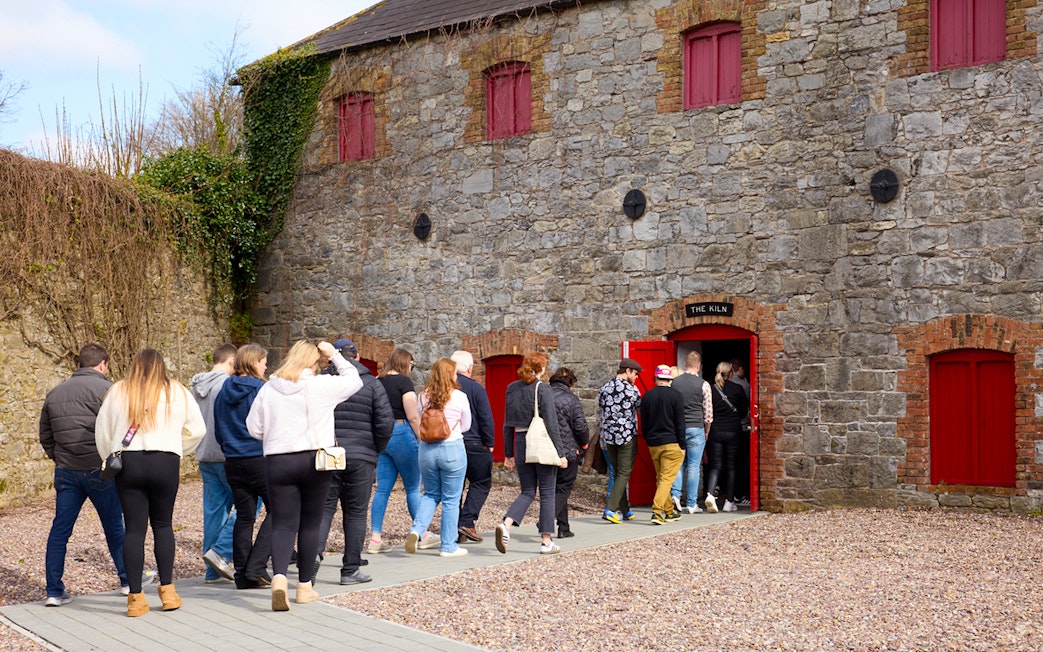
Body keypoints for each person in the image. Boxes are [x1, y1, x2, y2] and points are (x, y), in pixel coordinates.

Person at [246, 340, 362, 611]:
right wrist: (334, 355)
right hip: (315, 459)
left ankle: (278, 578)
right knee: (310, 523)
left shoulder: (269, 388)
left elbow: (253, 427)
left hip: (278, 460)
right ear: (314, 362)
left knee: (283, 523)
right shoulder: (320, 386)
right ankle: (305, 586)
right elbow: (354, 379)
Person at [95, 349, 206, 617]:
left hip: (129, 464)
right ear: (162, 366)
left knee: (134, 529)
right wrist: (177, 448)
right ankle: (168, 592)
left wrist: (108, 457)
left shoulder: (120, 390)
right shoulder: (176, 391)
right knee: (163, 525)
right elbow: (199, 429)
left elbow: (102, 430)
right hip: (165, 462)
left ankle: (135, 599)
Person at [40, 343, 130, 606]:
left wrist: (58, 458)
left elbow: (45, 435)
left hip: (66, 471)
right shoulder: (109, 390)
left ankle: (54, 591)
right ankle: (127, 581)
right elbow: (123, 430)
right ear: (102, 364)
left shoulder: (55, 393)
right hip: (100, 470)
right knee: (114, 527)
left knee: (60, 531)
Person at [315, 339, 394, 583]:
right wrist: (374, 450)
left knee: (325, 509)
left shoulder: (321, 382)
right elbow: (384, 422)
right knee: (357, 513)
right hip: (362, 454)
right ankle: (350, 570)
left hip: (330, 451)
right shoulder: (371, 384)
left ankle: (313, 560)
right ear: (357, 357)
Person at [495, 352, 568, 555]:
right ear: (542, 369)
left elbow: (507, 423)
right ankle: (546, 542)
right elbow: (552, 424)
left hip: (520, 442)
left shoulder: (511, 388)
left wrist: (508, 453)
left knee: (527, 491)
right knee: (546, 492)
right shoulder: (542, 388)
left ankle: (507, 525)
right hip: (540, 442)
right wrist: (561, 453)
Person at [214, 343, 272, 589]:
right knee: (280, 511)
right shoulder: (263, 390)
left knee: (245, 517)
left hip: (233, 461)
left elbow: (218, 430)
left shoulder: (222, 390)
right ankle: (256, 567)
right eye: (263, 361)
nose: (266, 365)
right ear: (253, 362)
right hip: (259, 457)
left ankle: (242, 576)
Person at [369, 348, 434, 553]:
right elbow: (413, 416)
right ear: (405, 363)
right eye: (412, 365)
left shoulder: (377, 381)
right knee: (413, 488)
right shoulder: (404, 383)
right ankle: (421, 533)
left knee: (382, 489)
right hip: (402, 430)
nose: (412, 369)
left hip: (382, 435)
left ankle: (375, 538)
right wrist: (421, 437)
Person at [405, 358, 471, 557]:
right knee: (451, 498)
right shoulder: (459, 396)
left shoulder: (423, 396)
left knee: (430, 494)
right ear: (451, 375)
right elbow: (467, 425)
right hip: (452, 448)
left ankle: (416, 530)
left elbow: (419, 420)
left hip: (426, 450)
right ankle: (448, 546)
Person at [190, 343, 237, 584]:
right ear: (231, 362)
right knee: (248, 505)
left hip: (204, 455)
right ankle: (221, 552)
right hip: (227, 455)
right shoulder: (227, 385)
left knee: (214, 513)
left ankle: (212, 572)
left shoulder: (195, 387)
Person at [451, 350, 496, 544]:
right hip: (475, 442)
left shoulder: (445, 386)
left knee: (455, 488)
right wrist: (490, 442)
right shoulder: (476, 389)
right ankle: (467, 521)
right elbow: (485, 417)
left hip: (451, 442)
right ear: (470, 368)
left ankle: (453, 528)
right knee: (481, 482)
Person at [596, 357, 642, 524]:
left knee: (617, 472)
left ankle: (625, 510)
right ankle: (610, 508)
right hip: (626, 435)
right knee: (624, 473)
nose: (636, 377)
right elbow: (640, 408)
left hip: (608, 436)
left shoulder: (604, 388)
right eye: (635, 374)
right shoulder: (632, 390)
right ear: (628, 371)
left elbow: (600, 410)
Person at [640, 365, 686, 524]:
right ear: (670, 380)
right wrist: (683, 445)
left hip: (654, 443)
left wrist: (648, 438)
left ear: (655, 378)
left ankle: (669, 512)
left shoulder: (646, 396)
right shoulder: (676, 396)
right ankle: (657, 512)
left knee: (661, 478)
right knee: (666, 479)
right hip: (672, 442)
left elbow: (644, 423)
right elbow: (680, 423)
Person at [704, 361, 750, 514]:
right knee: (731, 466)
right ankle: (729, 502)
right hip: (733, 431)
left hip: (715, 431)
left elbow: (706, 410)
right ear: (731, 373)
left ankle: (710, 494)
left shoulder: (710, 389)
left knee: (715, 465)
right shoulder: (737, 388)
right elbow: (743, 412)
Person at [670, 351, 713, 514]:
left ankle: (675, 495)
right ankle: (691, 504)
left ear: (684, 364)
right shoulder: (704, 384)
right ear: (698, 366)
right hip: (696, 427)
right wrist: (706, 431)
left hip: (678, 428)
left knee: (678, 464)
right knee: (694, 466)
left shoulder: (675, 383)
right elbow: (708, 414)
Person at [549, 367, 589, 538]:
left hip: (546, 448)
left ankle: (564, 527)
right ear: (570, 383)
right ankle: (546, 519)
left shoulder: (542, 395)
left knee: (555, 488)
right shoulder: (571, 399)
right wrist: (585, 444)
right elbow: (580, 426)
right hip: (567, 449)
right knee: (564, 487)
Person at [730, 358, 753, 507]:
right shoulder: (743, 385)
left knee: (724, 462)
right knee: (741, 462)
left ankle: (719, 491)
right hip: (742, 427)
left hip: (723, 428)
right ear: (741, 369)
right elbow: (749, 403)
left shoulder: (717, 386)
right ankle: (739, 494)